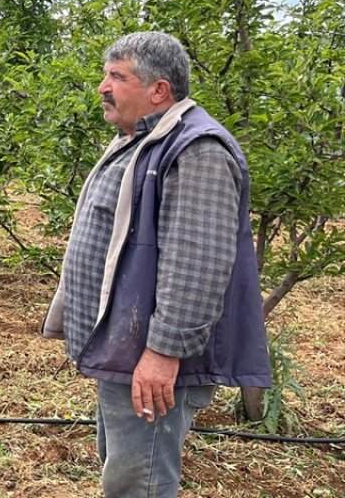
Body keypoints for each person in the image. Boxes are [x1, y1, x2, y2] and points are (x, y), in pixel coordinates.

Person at [41, 31, 271, 497]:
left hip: (151, 357)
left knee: (139, 481)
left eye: (116, 77)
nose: (103, 87)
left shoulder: (197, 150)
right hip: (127, 352)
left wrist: (164, 354)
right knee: (124, 470)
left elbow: (198, 265)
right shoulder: (143, 141)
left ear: (158, 90)